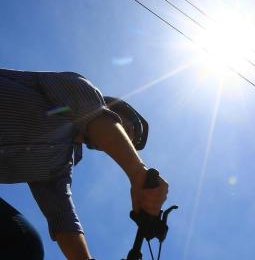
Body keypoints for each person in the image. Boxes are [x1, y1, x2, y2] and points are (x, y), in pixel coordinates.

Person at [0, 68, 169, 260]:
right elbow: (94, 114)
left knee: (23, 244)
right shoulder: (79, 87)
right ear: (111, 109)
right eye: (123, 129)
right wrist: (138, 173)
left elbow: (63, 219)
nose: (123, 141)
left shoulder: (59, 166)